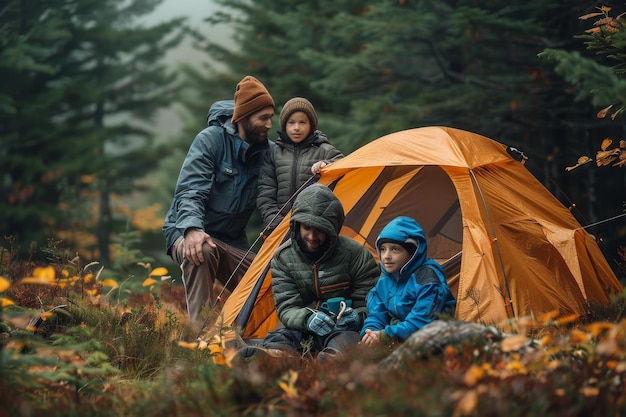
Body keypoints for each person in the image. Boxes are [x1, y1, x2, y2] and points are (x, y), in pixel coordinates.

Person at [162, 75, 275, 335]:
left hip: (233, 241)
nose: (269, 124)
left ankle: (248, 341)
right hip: (186, 231)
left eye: (271, 116)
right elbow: (190, 190)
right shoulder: (210, 140)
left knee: (267, 284)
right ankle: (200, 339)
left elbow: (293, 169)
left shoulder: (267, 151)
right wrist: (191, 228)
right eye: (263, 118)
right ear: (243, 117)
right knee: (201, 249)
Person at [251, 184, 379, 359]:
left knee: (347, 345)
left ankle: (329, 362)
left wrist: (357, 316)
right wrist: (307, 319)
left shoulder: (356, 255)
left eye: (319, 230)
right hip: (300, 328)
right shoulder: (283, 258)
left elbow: (371, 301)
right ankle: (280, 359)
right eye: (306, 228)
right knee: (277, 342)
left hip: (341, 330)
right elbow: (287, 306)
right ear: (296, 226)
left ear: (332, 229)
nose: (312, 236)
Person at [360, 216, 456, 346]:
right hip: (400, 336)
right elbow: (376, 315)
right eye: (383, 249)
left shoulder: (428, 279)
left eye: (395, 249)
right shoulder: (385, 281)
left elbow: (421, 321)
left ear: (412, 252)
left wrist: (385, 335)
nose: (386, 256)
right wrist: (370, 334)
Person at [256, 97, 343, 234]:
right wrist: (274, 220)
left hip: (314, 225)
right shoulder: (274, 153)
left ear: (311, 125)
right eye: (291, 123)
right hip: (280, 227)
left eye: (302, 122)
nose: (296, 128)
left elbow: (343, 166)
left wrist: (326, 165)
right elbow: (266, 191)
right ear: (285, 125)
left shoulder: (325, 150)